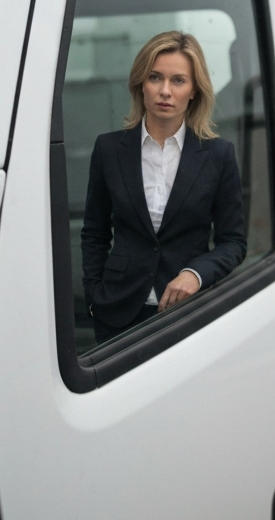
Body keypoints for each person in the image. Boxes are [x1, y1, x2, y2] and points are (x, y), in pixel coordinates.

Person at [81, 30, 247, 345]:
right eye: (156, 78)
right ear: (140, 85)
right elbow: (94, 233)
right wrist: (94, 297)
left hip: (188, 314)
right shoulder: (108, 149)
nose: (165, 91)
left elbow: (233, 242)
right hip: (117, 314)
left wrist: (195, 274)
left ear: (194, 90)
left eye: (178, 81)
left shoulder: (218, 155)